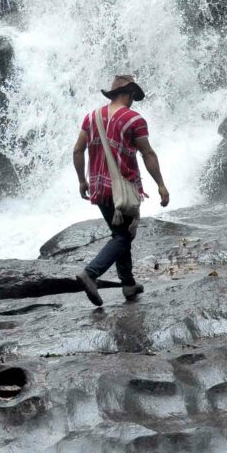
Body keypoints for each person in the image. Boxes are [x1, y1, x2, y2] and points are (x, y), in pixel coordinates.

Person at [72, 74, 169, 306]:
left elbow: (78, 150)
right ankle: (91, 273)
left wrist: (81, 181)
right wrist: (161, 185)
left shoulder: (92, 117)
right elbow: (148, 154)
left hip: (98, 186)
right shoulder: (134, 119)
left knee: (120, 234)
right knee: (123, 236)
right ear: (130, 94)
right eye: (134, 96)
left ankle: (128, 284)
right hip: (122, 187)